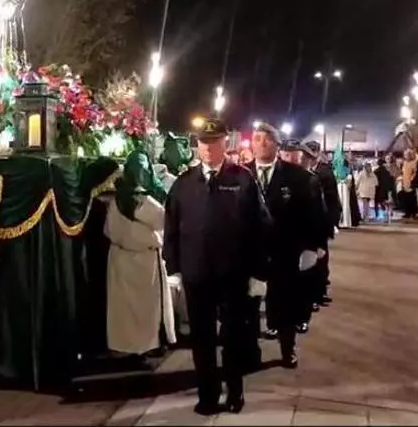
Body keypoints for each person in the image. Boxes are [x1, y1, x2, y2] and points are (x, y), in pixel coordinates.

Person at [164, 118, 270, 415]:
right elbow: (171, 227)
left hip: (232, 274)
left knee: (233, 337)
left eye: (214, 142)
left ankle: (235, 391)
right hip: (196, 274)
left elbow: (260, 228)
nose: (208, 148)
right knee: (202, 339)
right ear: (197, 145)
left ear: (225, 143)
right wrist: (173, 268)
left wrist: (259, 273)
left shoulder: (242, 180)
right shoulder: (184, 184)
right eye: (203, 142)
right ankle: (207, 395)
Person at [244, 123, 320, 370]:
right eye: (257, 139)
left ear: (277, 145)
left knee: (284, 304)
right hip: (250, 252)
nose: (261, 143)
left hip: (284, 251)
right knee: (248, 307)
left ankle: (288, 349)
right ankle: (250, 352)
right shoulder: (241, 174)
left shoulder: (296, 176)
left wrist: (311, 247)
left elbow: (311, 213)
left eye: (267, 139)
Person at [104, 149, 176, 358]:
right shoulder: (144, 200)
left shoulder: (115, 200)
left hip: (121, 258)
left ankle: (123, 346)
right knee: (145, 309)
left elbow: (109, 230)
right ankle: (145, 345)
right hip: (144, 261)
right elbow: (163, 220)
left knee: (124, 309)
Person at [284, 140, 330, 332]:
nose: (291, 158)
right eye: (287, 154)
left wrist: (318, 243)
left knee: (303, 281)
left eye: (294, 155)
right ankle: (279, 320)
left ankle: (302, 317)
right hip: (282, 239)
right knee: (283, 283)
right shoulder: (277, 178)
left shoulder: (311, 180)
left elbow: (319, 212)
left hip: (304, 239)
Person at [304, 141, 340, 305]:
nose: (310, 156)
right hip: (308, 223)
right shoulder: (302, 171)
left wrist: (332, 222)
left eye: (313, 152)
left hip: (322, 222)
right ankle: (314, 292)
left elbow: (332, 199)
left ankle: (319, 292)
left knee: (320, 258)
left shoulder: (324, 172)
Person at [400, 149, 418, 218]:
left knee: (412, 198)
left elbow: (415, 172)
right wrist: (402, 182)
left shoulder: (414, 163)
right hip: (405, 182)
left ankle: (413, 213)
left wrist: (412, 180)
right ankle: (407, 213)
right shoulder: (404, 163)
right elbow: (403, 173)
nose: (406, 156)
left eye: (407, 155)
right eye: (405, 155)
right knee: (406, 198)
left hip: (411, 182)